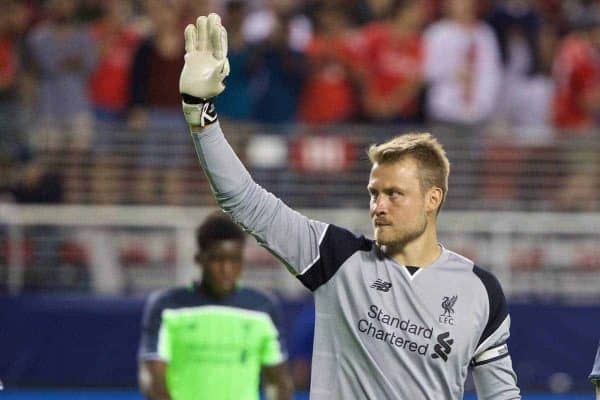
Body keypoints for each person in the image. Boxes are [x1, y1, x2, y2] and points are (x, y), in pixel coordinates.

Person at [178, 13, 521, 399]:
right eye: (375, 193)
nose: (379, 205)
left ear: (433, 199)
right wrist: (200, 112)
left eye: (395, 194)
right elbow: (243, 199)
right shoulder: (337, 258)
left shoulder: (480, 291)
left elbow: (502, 396)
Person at [138, 212, 294, 400]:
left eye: (234, 259)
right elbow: (152, 377)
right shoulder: (168, 307)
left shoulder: (262, 308)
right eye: (217, 259)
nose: (226, 269)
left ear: (242, 260)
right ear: (199, 258)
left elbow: (277, 382)